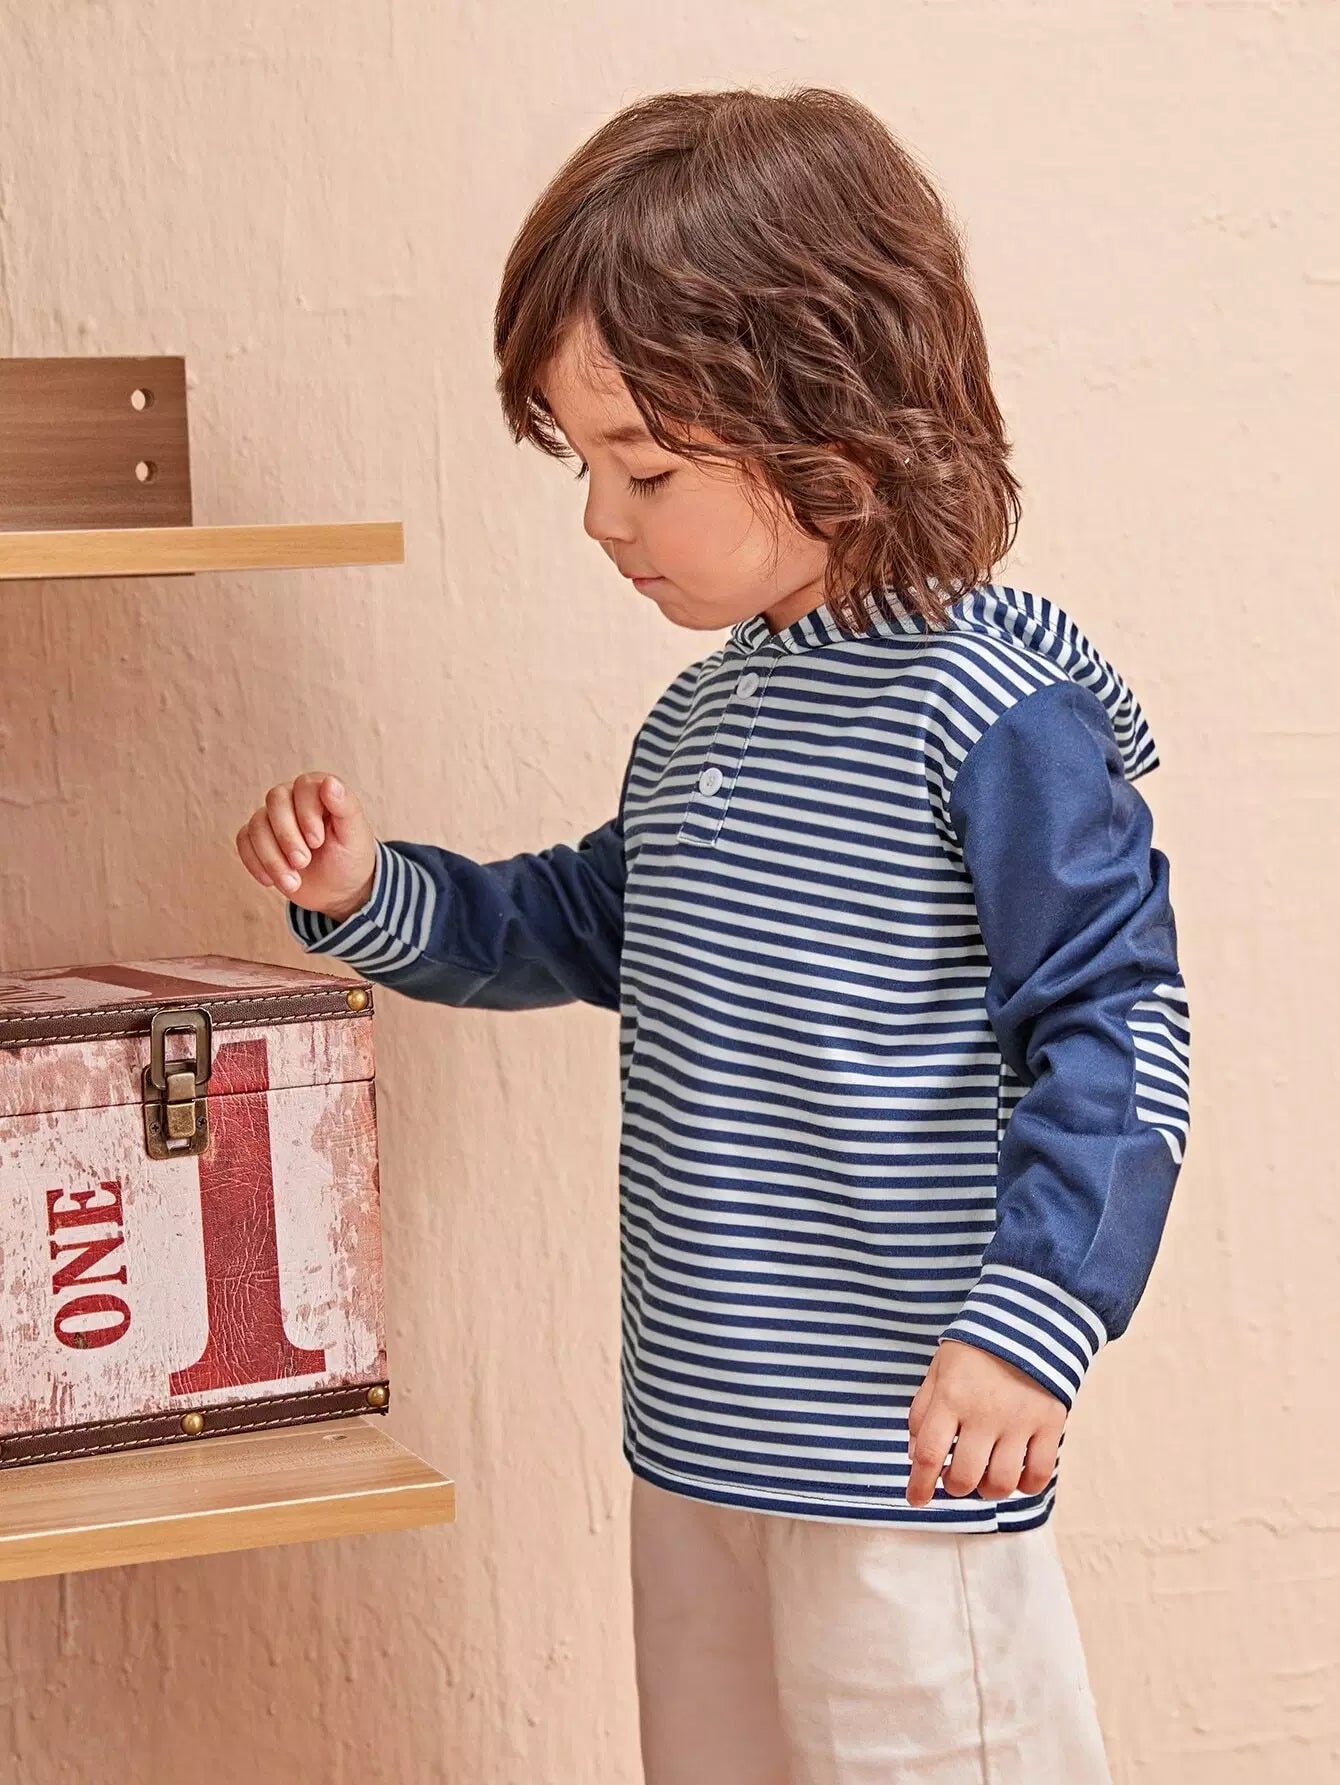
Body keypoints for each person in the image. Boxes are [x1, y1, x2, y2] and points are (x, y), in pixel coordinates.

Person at [236, 87, 1190, 1785]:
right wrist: (372, 891)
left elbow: (1119, 1035)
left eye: (648, 469)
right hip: (699, 1437)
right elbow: (576, 920)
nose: (603, 518)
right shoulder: (702, 725)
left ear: (836, 421)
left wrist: (1037, 1309)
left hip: (905, 1451)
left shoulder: (994, 716)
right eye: (587, 464)